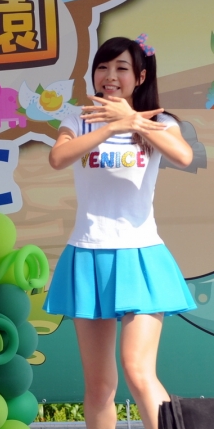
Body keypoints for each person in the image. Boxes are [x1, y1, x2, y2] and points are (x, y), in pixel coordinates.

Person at [43, 35, 196, 429]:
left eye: (121, 68)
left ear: (140, 77)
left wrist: (134, 121)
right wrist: (113, 125)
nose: (110, 76)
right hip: (87, 254)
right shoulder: (78, 119)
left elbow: (183, 155)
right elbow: (58, 157)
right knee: (99, 386)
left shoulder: (159, 122)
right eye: (103, 67)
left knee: (138, 371)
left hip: (140, 254)